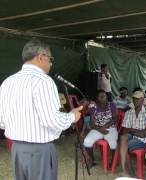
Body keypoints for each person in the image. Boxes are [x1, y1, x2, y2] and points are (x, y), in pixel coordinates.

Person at [0, 38, 83, 180]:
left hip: (17, 150)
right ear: (40, 57)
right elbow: (52, 120)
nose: (51, 64)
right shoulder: (43, 81)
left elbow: (2, 122)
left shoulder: (7, 82)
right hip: (39, 152)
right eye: (50, 59)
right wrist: (72, 116)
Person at [119, 90, 146, 176]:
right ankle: (125, 169)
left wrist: (132, 130)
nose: (135, 101)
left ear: (142, 100)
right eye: (134, 99)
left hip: (143, 140)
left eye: (138, 99)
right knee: (122, 138)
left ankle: (128, 170)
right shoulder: (128, 113)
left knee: (123, 144)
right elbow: (125, 130)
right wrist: (136, 131)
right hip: (131, 136)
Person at [83, 90, 118, 167]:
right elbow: (92, 123)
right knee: (86, 141)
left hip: (110, 128)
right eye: (101, 96)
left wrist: (104, 127)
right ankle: (92, 160)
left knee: (113, 143)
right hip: (97, 129)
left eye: (104, 96)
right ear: (97, 98)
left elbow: (115, 118)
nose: (104, 98)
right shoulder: (93, 107)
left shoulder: (111, 105)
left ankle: (112, 161)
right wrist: (99, 129)